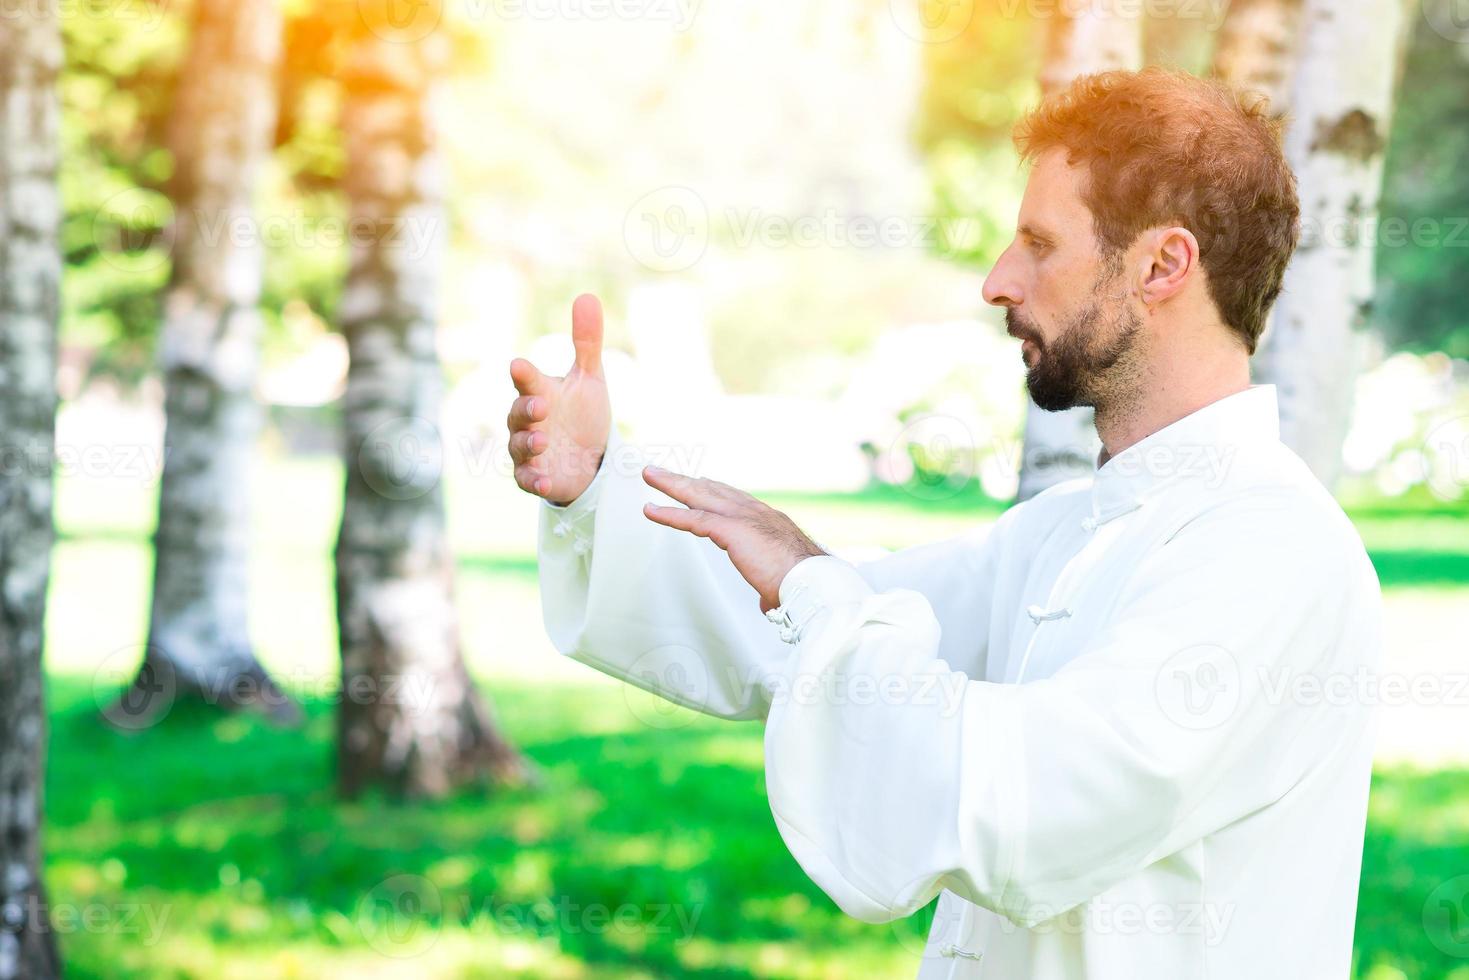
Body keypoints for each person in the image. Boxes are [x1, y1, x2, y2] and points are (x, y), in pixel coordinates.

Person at [506, 68, 1382, 979]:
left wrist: (811, 580)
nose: (998, 281)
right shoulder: (1064, 532)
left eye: (1039, 243)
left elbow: (1031, 811)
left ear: (1162, 266)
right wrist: (592, 488)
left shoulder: (1272, 552)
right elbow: (810, 643)